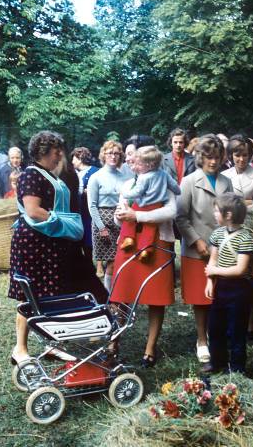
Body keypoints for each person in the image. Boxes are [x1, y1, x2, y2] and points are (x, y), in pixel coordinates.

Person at [8, 131, 107, 364]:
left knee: (49, 297)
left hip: (49, 245)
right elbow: (32, 210)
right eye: (56, 151)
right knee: (29, 296)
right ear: (43, 152)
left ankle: (50, 344)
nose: (61, 155)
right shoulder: (30, 175)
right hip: (33, 246)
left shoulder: (47, 174)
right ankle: (20, 349)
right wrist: (67, 224)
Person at [111, 136, 177, 368]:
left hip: (157, 244)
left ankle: (150, 347)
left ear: (147, 161)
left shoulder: (162, 181)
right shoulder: (129, 186)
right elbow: (121, 218)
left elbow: (171, 211)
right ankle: (113, 341)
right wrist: (122, 217)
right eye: (129, 155)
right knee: (121, 294)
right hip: (129, 245)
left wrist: (137, 216)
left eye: (134, 156)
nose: (130, 160)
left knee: (155, 297)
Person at [177, 134, 233, 364]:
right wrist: (197, 241)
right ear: (201, 157)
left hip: (222, 247)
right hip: (197, 249)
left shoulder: (226, 181)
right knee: (200, 297)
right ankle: (201, 339)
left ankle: (215, 334)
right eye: (209, 157)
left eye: (217, 157)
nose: (213, 161)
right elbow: (181, 218)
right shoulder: (189, 181)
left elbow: (231, 213)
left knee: (219, 294)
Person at [203, 192, 253, 374]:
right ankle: (217, 361)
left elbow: (240, 269)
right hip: (221, 288)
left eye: (217, 211)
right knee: (215, 326)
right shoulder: (217, 234)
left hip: (239, 290)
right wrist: (210, 282)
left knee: (236, 329)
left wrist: (214, 271)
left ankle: (236, 367)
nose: (214, 214)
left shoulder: (246, 238)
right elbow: (213, 260)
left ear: (228, 215)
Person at [119, 146, 180, 261]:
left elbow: (137, 192)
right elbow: (176, 188)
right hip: (156, 205)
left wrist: (124, 193)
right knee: (150, 228)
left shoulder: (143, 178)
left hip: (142, 206)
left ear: (150, 165)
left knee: (131, 219)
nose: (134, 164)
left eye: (139, 163)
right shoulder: (164, 175)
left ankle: (129, 238)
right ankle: (146, 249)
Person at [88, 140, 130, 289]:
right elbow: (92, 206)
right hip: (102, 222)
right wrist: (101, 227)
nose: (113, 156)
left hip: (121, 220)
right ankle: (110, 298)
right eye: (110, 153)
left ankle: (121, 294)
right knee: (111, 262)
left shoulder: (124, 177)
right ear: (103, 155)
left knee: (123, 259)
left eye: (117, 153)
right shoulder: (96, 177)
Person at [222, 136, 253, 213]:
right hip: (229, 222)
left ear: (249, 155)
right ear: (231, 155)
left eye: (245, 155)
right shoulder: (224, 175)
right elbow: (222, 205)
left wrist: (233, 205)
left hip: (251, 222)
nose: (241, 159)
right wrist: (248, 202)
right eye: (237, 155)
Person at [71, 147, 98, 261]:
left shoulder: (95, 172)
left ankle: (96, 265)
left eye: (74, 158)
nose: (72, 162)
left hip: (89, 212)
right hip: (78, 212)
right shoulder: (73, 173)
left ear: (80, 158)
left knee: (90, 238)